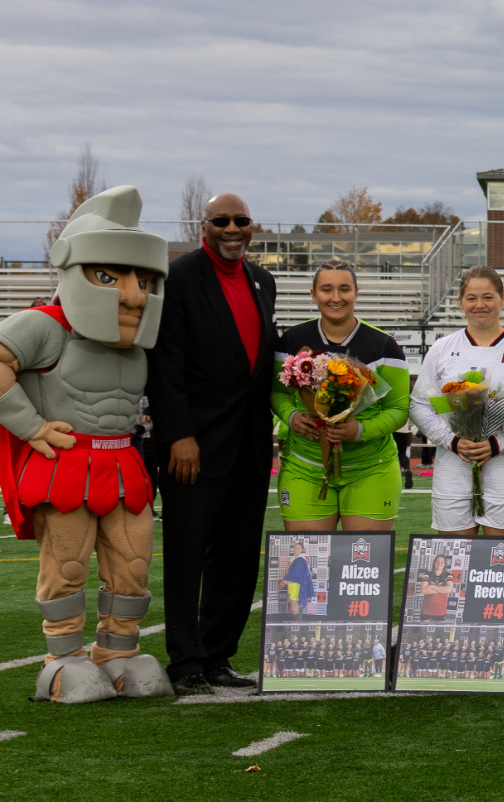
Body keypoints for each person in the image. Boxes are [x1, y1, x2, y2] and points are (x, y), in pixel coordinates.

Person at [0, 187, 174, 701]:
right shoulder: (43, 326)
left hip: (124, 463)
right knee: (68, 568)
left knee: (133, 567)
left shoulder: (141, 338)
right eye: (110, 276)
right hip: (66, 467)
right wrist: (31, 427)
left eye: (144, 280)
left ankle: (118, 654)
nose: (133, 295)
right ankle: (62, 660)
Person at [148, 191, 278, 693]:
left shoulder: (263, 280)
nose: (232, 229)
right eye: (221, 220)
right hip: (194, 446)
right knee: (187, 554)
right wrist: (179, 434)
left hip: (250, 444)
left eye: (240, 220)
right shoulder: (178, 277)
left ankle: (218, 655)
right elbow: (165, 364)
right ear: (204, 226)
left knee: (238, 556)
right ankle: (185, 662)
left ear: (252, 226)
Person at [409, 267, 504, 537]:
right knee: (454, 559)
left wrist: (498, 444)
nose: (480, 305)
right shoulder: (441, 349)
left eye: (488, 297)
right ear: (460, 302)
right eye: (471, 298)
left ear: (502, 299)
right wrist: (452, 441)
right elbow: (419, 404)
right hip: (453, 471)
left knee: (501, 559)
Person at [273, 261, 411, 531]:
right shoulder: (291, 340)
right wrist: (291, 416)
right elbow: (277, 393)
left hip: (371, 469)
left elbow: (399, 410)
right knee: (307, 558)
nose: (336, 298)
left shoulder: (384, 345)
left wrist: (359, 430)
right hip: (304, 467)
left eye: (344, 289)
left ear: (356, 293)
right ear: (313, 294)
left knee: (362, 559)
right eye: (327, 289)